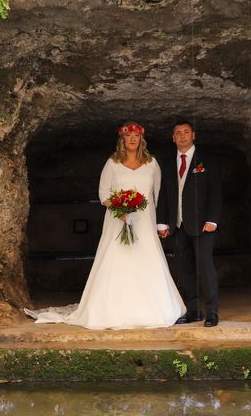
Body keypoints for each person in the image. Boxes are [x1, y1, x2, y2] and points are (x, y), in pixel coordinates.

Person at [24, 122, 185, 329]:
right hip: (117, 219)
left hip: (145, 219)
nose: (132, 139)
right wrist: (119, 208)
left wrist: (162, 222)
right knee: (116, 257)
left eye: (136, 135)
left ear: (141, 139)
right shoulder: (112, 163)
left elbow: (159, 195)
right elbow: (103, 194)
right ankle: (110, 309)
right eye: (128, 136)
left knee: (146, 256)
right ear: (122, 140)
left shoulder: (151, 163)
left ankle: (154, 308)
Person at [157, 119, 222, 327]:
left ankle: (212, 312)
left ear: (193, 135)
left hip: (203, 224)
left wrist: (213, 219)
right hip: (177, 225)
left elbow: (215, 191)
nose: (182, 136)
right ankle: (192, 311)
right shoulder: (167, 163)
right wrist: (162, 223)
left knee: (205, 266)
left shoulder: (207, 160)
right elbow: (164, 195)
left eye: (186, 132)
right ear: (173, 138)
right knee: (184, 269)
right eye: (178, 133)